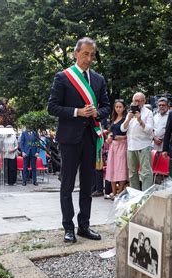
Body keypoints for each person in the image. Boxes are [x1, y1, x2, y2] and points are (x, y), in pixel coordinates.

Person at [47, 37, 111, 243]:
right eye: (85, 54)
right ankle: (68, 227)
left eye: (92, 55)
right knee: (67, 184)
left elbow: (106, 107)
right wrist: (77, 112)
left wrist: (96, 113)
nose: (89, 58)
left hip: (91, 138)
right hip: (69, 139)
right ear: (76, 53)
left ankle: (84, 225)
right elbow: (52, 107)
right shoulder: (63, 77)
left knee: (87, 185)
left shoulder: (99, 79)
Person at [121, 92, 154, 191]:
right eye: (135, 100)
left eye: (139, 101)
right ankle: (134, 195)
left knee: (146, 172)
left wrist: (140, 120)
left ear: (144, 101)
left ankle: (145, 195)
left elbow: (149, 130)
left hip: (143, 145)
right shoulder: (130, 113)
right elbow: (122, 129)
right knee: (132, 173)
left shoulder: (148, 113)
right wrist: (128, 119)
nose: (137, 103)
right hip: (131, 146)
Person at [105, 100, 128, 199]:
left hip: (122, 145)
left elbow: (128, 134)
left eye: (120, 107)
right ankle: (114, 192)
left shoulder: (125, 119)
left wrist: (122, 137)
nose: (118, 109)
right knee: (112, 168)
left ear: (124, 108)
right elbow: (112, 132)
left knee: (121, 167)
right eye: (116, 107)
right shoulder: (113, 119)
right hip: (113, 146)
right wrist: (109, 137)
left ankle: (120, 191)